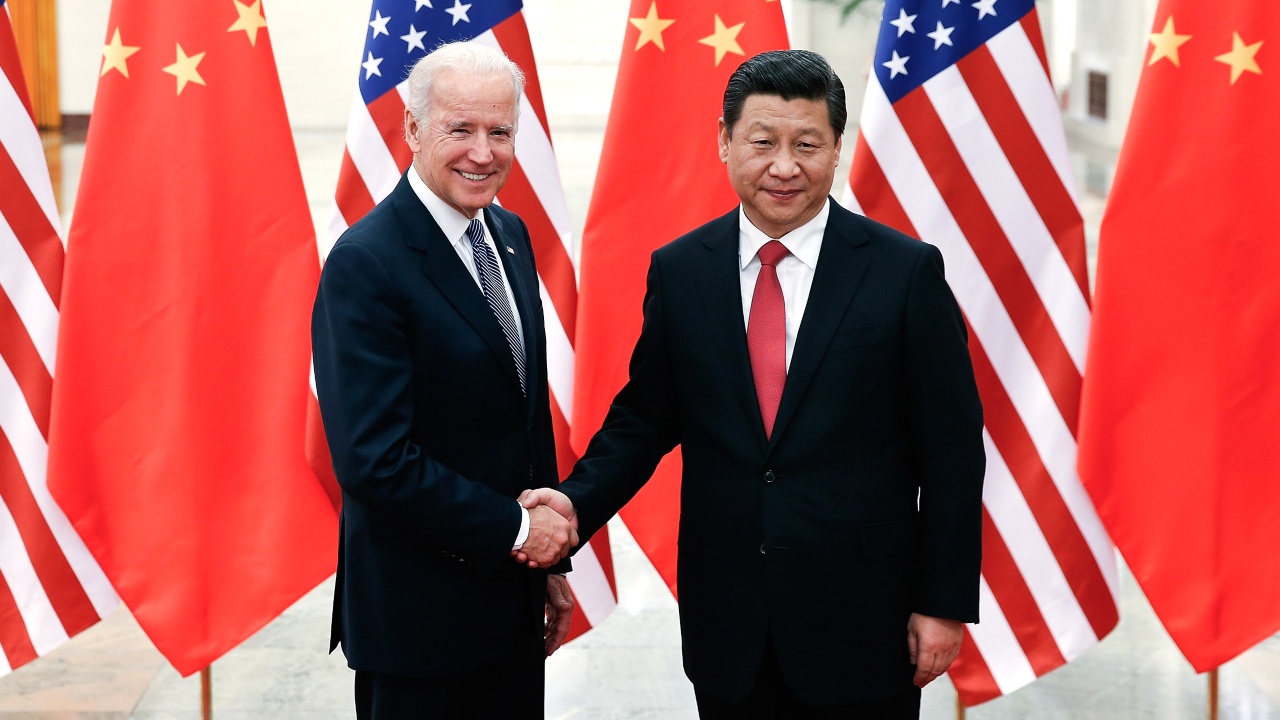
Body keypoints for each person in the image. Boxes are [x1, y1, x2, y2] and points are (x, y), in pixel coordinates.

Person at [519, 50, 985, 719]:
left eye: (808, 144)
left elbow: (952, 454)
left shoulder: (903, 273)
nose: (785, 166)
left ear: (836, 148)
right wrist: (572, 506)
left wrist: (941, 604)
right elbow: (644, 420)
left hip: (864, 622)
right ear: (724, 141)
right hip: (729, 623)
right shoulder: (682, 272)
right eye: (762, 142)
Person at [312, 42, 577, 719]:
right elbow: (374, 460)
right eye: (460, 129)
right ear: (412, 128)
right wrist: (521, 531)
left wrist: (546, 566)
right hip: (418, 629)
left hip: (509, 611)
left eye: (500, 131)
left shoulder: (509, 236)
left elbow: (523, 413)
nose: (482, 153)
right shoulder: (367, 262)